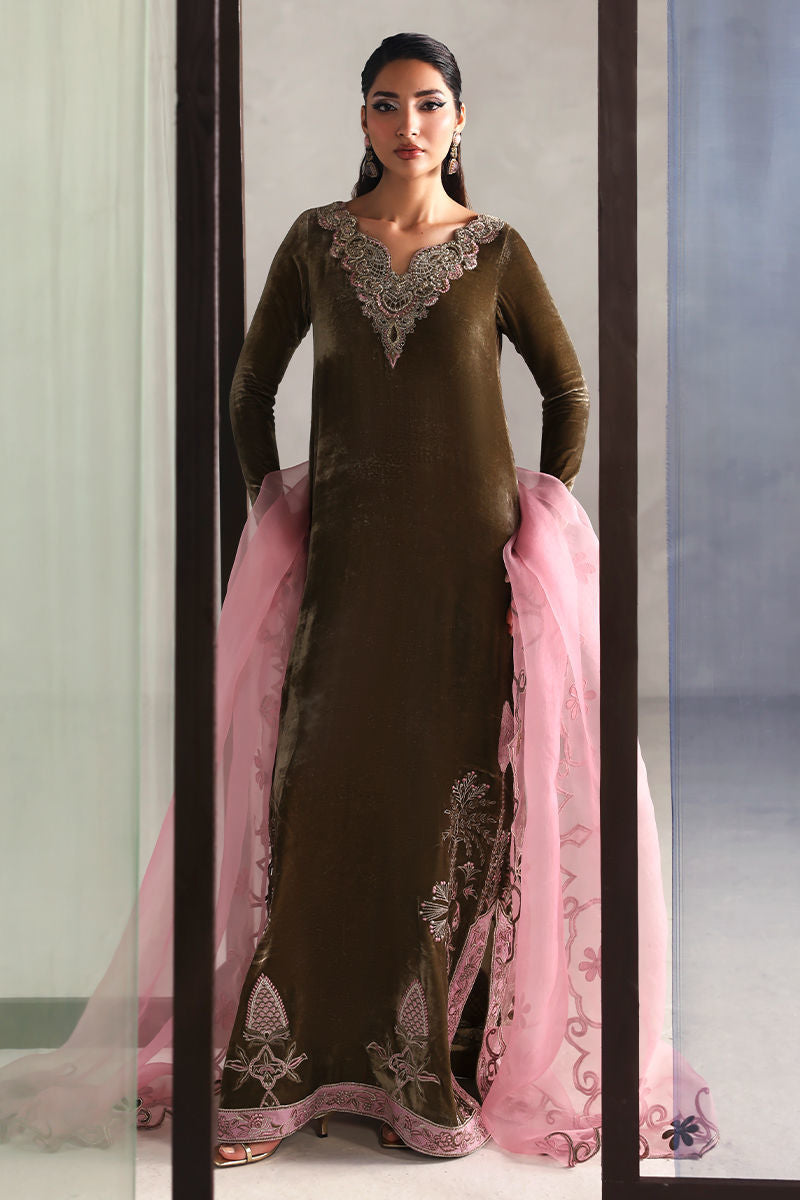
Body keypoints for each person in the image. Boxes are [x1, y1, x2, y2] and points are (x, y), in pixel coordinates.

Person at [0, 31, 716, 1171]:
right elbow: (250, 389)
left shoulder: (494, 250)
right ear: (364, 120)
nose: (407, 125)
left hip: (463, 577)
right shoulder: (316, 242)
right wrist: (275, 512)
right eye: (385, 104)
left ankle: (423, 1070)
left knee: (443, 813)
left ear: (460, 120)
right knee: (322, 802)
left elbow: (567, 388)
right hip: (345, 571)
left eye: (428, 104)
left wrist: (536, 510)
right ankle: (279, 1070)